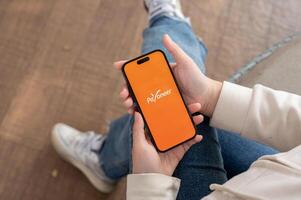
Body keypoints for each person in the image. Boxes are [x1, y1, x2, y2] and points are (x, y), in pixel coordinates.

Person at [51, 0, 301, 199]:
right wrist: (211, 95)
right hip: (282, 168)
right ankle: (168, 20)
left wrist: (149, 187)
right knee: (169, 105)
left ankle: (168, 19)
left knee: (154, 113)